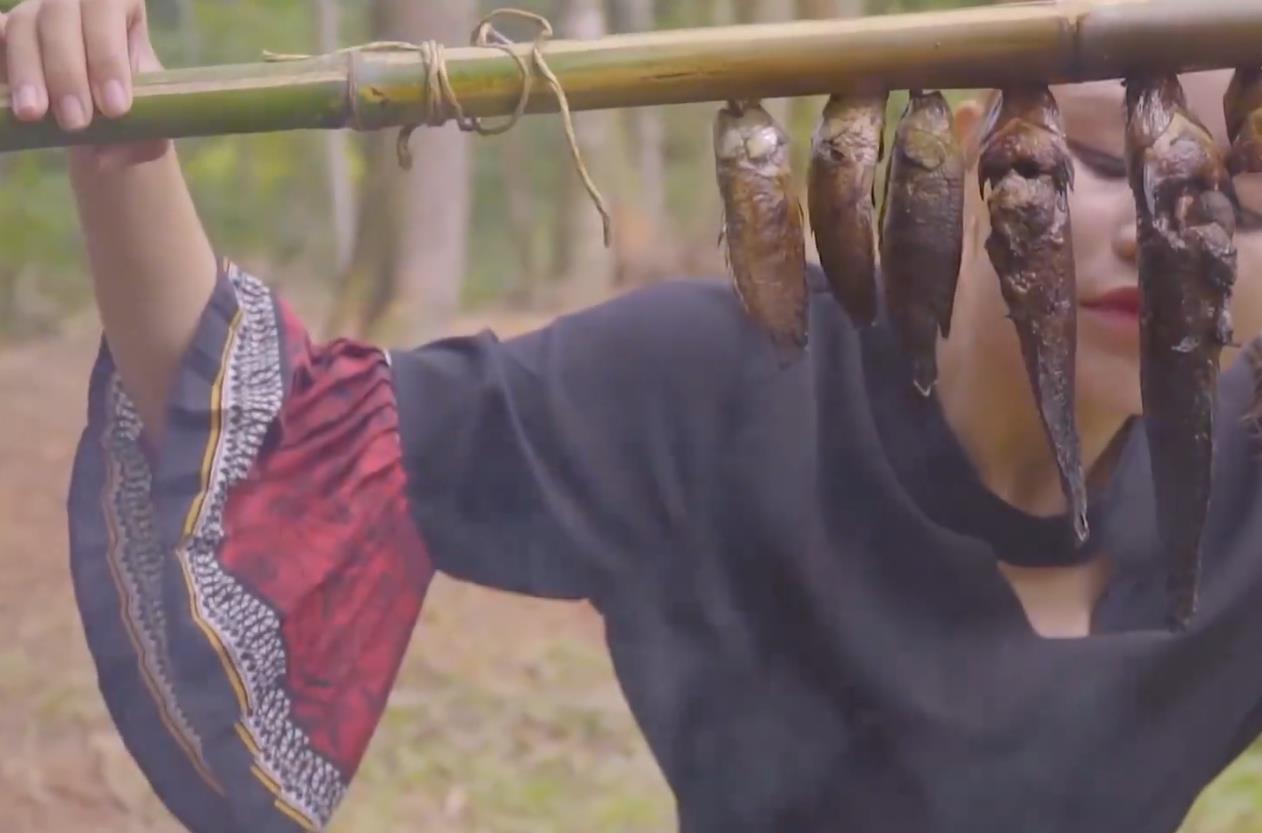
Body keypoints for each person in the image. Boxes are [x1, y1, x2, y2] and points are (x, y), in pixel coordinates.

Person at [10, 0, 1262, 830]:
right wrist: (122, 131)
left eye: (1242, 201)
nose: (1164, 234)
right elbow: (277, 441)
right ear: (984, 142)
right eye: (1105, 163)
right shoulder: (716, 385)